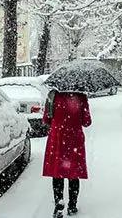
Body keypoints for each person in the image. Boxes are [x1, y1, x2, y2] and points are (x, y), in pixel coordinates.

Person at [42, 90, 92, 218]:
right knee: (73, 172)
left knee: (57, 171)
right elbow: (87, 122)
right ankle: (72, 205)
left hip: (57, 138)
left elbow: (46, 119)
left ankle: (59, 202)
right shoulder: (81, 97)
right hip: (74, 139)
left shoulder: (53, 95)